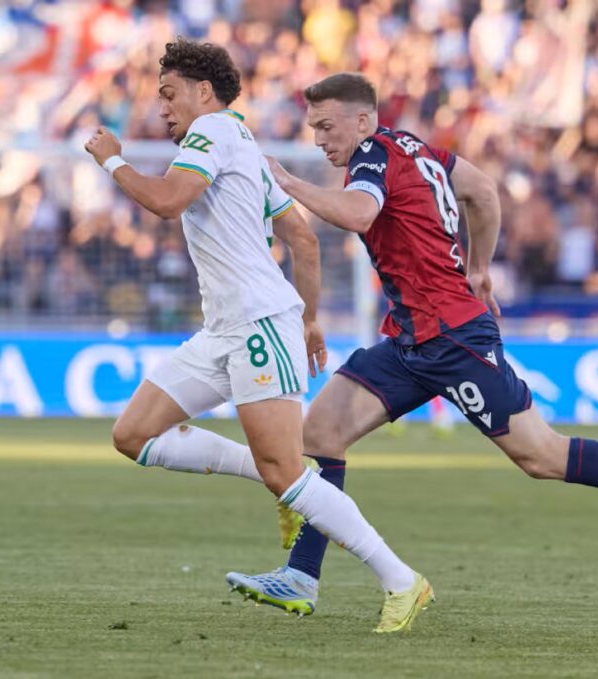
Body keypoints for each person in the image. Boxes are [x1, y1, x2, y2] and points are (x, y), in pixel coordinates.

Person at [225, 72, 598, 621]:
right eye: (314, 128)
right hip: (410, 339)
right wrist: (479, 269)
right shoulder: (417, 149)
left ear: (364, 121)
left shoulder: (371, 155)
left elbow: (359, 213)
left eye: (327, 126)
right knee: (321, 432)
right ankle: (301, 576)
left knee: (542, 456)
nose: (319, 139)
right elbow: (483, 191)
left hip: (453, 338)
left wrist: (285, 180)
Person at [84, 42, 433, 633]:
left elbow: (168, 202)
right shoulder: (242, 142)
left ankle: (401, 581)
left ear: (203, 92)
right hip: (225, 328)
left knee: (286, 473)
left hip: (257, 324)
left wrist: (112, 161)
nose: (162, 108)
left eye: (169, 94)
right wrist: (311, 319)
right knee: (134, 435)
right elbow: (302, 238)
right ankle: (285, 480)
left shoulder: (213, 132)